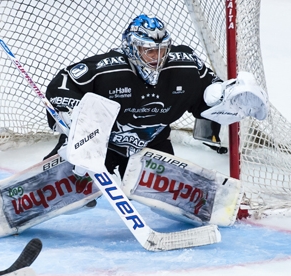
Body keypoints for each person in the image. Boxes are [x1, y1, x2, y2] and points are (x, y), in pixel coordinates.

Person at [44, 14, 267, 176]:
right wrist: (73, 116)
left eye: (162, 50)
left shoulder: (185, 67)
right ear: (132, 48)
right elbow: (62, 85)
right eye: (149, 50)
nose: (157, 58)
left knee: (175, 196)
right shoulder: (106, 70)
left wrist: (225, 98)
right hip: (99, 142)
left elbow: (206, 98)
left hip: (152, 143)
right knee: (67, 184)